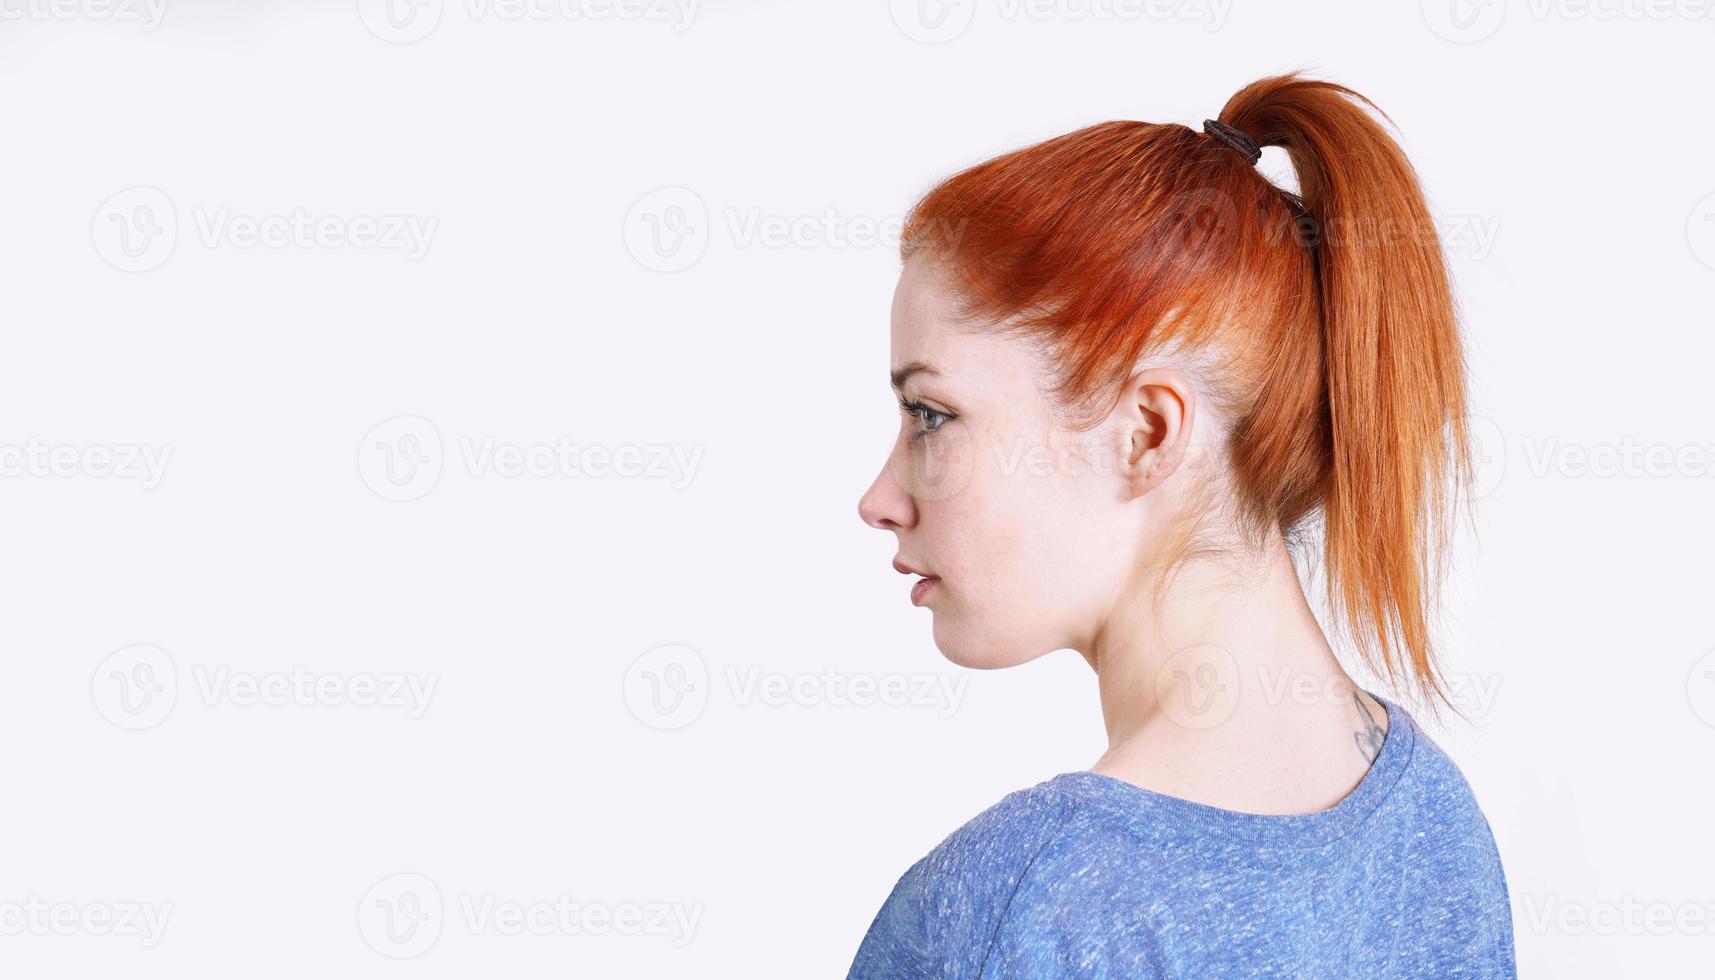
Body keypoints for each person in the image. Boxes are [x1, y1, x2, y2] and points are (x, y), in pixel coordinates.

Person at [851, 72, 1516, 977]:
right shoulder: (1437, 827)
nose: (879, 498)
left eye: (931, 415)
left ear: (1147, 433)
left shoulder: (1018, 908)